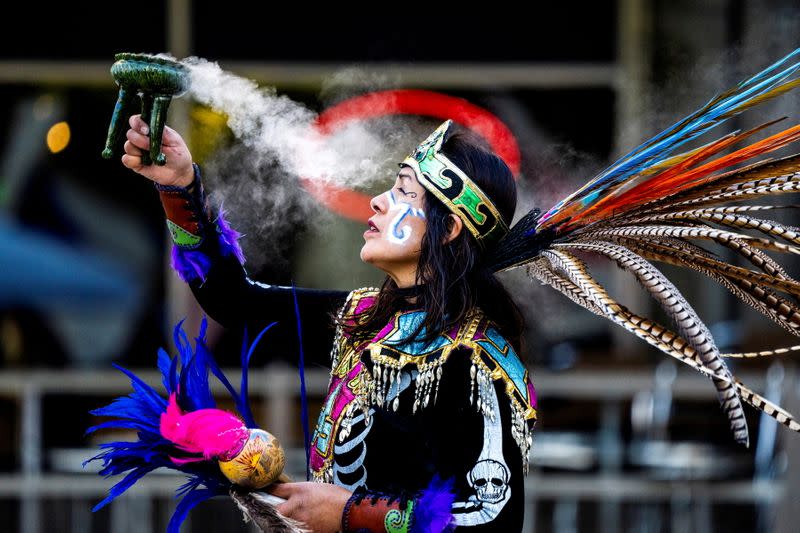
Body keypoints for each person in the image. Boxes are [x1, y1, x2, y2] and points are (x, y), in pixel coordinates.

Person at [120, 115, 538, 533]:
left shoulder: (478, 361)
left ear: (448, 228)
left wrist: (347, 512)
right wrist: (179, 186)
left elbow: (492, 518)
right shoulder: (363, 319)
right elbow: (235, 301)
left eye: (404, 192)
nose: (377, 201)